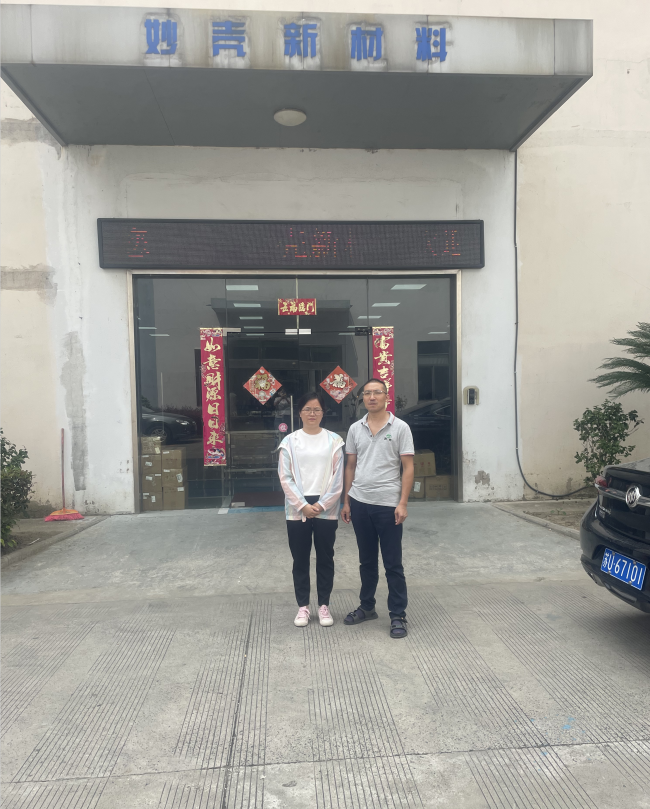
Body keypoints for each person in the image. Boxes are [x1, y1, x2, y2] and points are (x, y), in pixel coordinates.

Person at [341, 378, 415, 639]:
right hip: (360, 502)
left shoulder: (401, 427)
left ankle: (398, 614)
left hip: (388, 505)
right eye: (367, 393)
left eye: (377, 393)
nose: (371, 397)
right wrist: (347, 500)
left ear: (386, 396)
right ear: (362, 398)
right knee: (367, 560)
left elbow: (408, 467)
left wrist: (403, 502)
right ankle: (367, 606)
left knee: (393, 563)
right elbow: (350, 466)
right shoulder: (355, 429)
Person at [278, 391, 345, 627]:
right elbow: (285, 477)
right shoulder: (289, 442)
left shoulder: (334, 441)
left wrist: (322, 504)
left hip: (327, 505)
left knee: (326, 557)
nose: (312, 413)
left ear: (323, 412)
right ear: (300, 412)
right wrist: (303, 505)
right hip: (297, 507)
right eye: (307, 409)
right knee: (300, 558)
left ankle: (324, 605)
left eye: (317, 409)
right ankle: (303, 606)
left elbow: (338, 478)